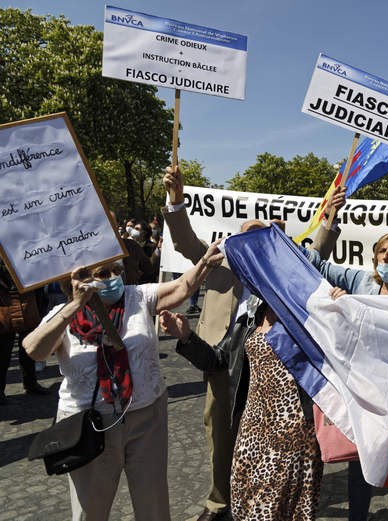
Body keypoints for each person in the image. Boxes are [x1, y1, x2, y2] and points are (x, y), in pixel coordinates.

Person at [161, 165, 343, 521]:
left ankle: (260, 497)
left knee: (259, 439)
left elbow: (315, 251)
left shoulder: (281, 276)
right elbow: (184, 241)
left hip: (272, 377)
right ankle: (218, 501)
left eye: (261, 238)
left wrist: (330, 219)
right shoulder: (218, 261)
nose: (252, 244)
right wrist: (176, 199)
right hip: (220, 358)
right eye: (246, 236)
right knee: (220, 433)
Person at [22, 242, 224, 521]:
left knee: (153, 504)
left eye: (116, 269)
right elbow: (34, 349)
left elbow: (180, 288)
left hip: (146, 416)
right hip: (89, 425)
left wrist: (204, 263)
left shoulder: (137, 297)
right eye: (103, 273)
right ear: (79, 280)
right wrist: (76, 305)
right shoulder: (64, 315)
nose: (113, 278)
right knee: (90, 511)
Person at [159, 273, 322, 521]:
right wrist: (186, 337)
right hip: (252, 427)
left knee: (273, 509)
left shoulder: (305, 312)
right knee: (244, 502)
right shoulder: (250, 315)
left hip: (294, 429)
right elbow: (218, 360)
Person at [304, 231, 388, 521]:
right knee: (361, 469)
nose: (385, 257)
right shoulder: (362, 283)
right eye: (381, 251)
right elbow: (315, 263)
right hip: (365, 396)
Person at [0, 260, 49, 403]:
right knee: (3, 353)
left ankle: (31, 384)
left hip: (27, 301)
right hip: (4, 303)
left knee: (29, 349)